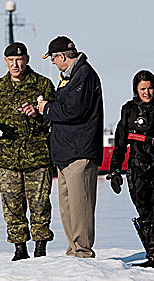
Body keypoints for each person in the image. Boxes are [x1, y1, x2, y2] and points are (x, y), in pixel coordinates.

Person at [0, 42, 56, 261]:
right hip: (9, 156)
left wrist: (38, 115)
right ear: (5, 61)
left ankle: (41, 249)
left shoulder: (43, 85)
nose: (16, 64)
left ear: (27, 60)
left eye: (19, 60)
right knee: (12, 204)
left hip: (37, 153)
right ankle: (19, 249)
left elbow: (56, 118)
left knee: (40, 203)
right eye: (11, 60)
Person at [108, 70, 154, 273]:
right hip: (136, 168)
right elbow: (121, 143)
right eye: (143, 89)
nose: (147, 92)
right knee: (144, 212)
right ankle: (151, 255)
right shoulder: (128, 110)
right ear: (136, 90)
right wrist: (115, 171)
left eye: (150, 88)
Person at [36, 36, 104, 258]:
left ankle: (83, 252)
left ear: (62, 56)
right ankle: (74, 251)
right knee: (68, 207)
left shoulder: (84, 75)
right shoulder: (70, 77)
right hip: (66, 153)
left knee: (80, 206)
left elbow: (75, 111)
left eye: (53, 59)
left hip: (79, 152)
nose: (53, 63)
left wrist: (47, 109)